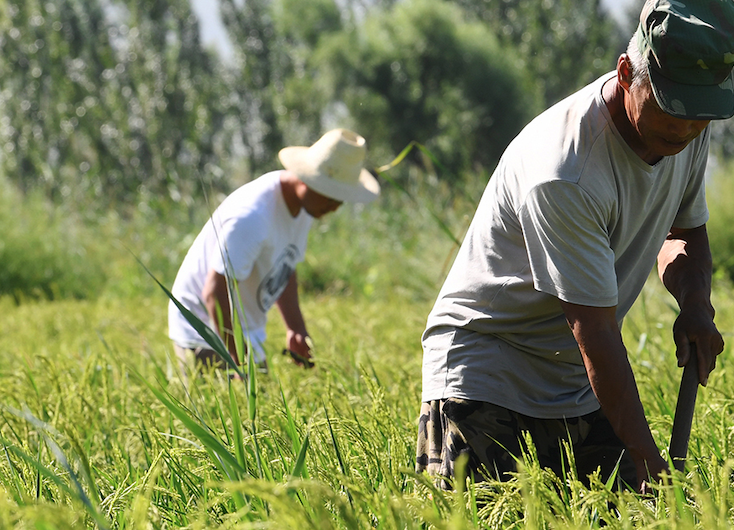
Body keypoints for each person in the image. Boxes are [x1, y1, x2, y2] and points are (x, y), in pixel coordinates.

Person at [415, 0, 733, 493]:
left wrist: (695, 303)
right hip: (489, 376)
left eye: (700, 116)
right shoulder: (566, 171)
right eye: (672, 110)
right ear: (628, 73)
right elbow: (596, 332)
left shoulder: (688, 125)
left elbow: (682, 233)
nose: (687, 130)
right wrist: (647, 456)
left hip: (575, 384)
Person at [168, 129, 380, 373]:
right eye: (332, 194)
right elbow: (214, 294)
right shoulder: (252, 217)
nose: (336, 206)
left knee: (262, 405)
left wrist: (296, 328)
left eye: (342, 197)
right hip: (206, 331)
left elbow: (284, 266)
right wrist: (240, 365)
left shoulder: (304, 207)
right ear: (307, 179)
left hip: (243, 330)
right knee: (229, 409)